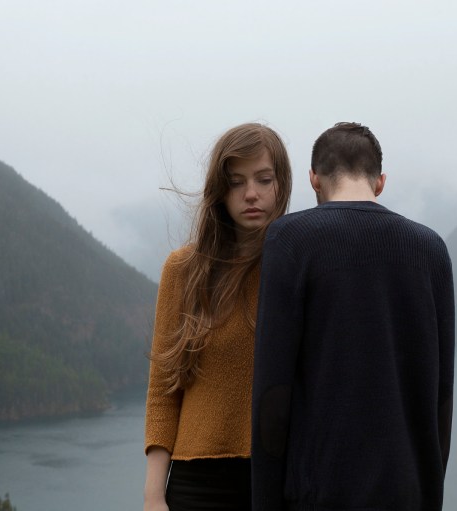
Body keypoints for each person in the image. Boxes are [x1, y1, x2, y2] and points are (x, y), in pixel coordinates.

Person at [251, 122, 455, 510]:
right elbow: (441, 400)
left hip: (318, 496)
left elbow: (272, 396)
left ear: (314, 179)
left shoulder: (290, 240)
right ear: (380, 182)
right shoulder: (431, 250)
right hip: (407, 494)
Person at [144, 122, 292, 511]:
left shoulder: (297, 269)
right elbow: (164, 389)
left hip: (281, 480)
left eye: (263, 179)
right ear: (219, 190)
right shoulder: (184, 270)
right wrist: (153, 495)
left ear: (282, 184)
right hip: (196, 486)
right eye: (236, 182)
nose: (251, 193)